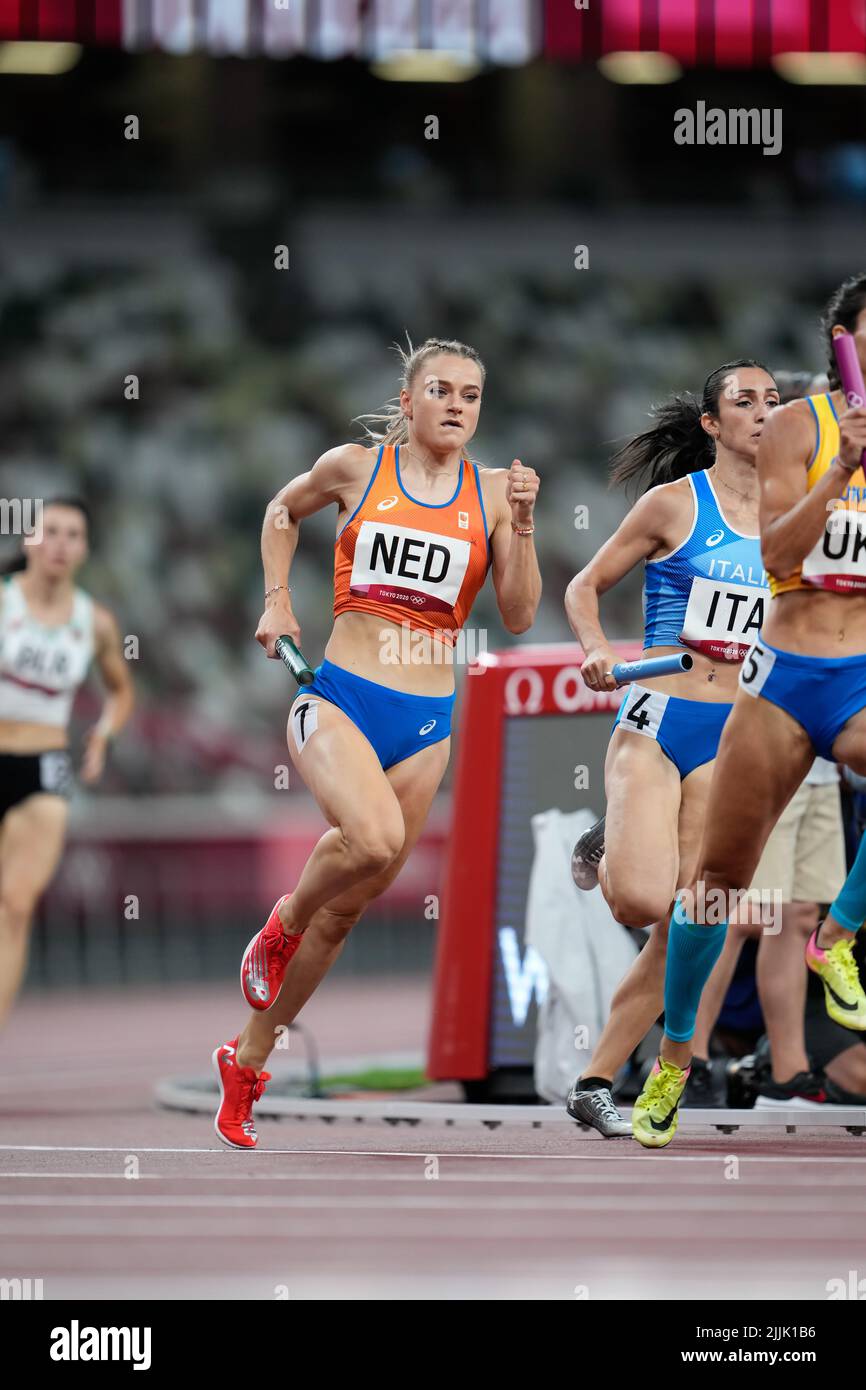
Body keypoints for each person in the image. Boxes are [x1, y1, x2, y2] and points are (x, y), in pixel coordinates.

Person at [213, 337, 542, 1148]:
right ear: (408, 400)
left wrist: (527, 525)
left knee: (348, 911)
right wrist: (278, 600)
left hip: (428, 724)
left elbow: (523, 613)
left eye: (472, 392)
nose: (458, 404)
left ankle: (248, 1061)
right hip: (341, 699)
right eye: (441, 389)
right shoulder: (356, 469)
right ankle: (283, 920)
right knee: (372, 839)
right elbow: (280, 512)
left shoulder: (496, 492)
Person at [632, 272, 866, 1148]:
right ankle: (674, 1057)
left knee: (794, 910)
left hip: (860, 673)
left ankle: (837, 934)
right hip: (783, 676)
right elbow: (776, 554)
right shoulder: (798, 428)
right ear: (843, 340)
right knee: (716, 889)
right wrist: (843, 466)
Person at [564, 361, 780, 1136]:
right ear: (713, 426)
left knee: (693, 920)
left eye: (774, 401)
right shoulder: (674, 507)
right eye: (744, 402)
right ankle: (608, 842)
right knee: (641, 900)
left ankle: (594, 1084)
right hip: (659, 718)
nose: (763, 412)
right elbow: (583, 587)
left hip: (736, 738)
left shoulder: (798, 516)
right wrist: (593, 647)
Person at [0, 498, 133, 1029]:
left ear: (84, 549)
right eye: (49, 531)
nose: (59, 543)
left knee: (14, 906)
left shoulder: (94, 623)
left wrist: (103, 734)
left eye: (71, 535)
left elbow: (121, 691)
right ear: (29, 541)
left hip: (44, 768)